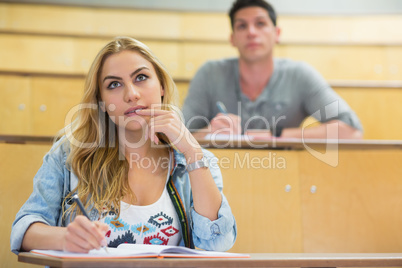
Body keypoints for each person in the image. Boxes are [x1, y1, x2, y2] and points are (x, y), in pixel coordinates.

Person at [10, 37, 236, 254]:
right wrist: (65, 237)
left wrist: (192, 151)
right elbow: (24, 230)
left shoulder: (194, 160)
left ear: (161, 87)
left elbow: (216, 242)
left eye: (141, 77)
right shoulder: (69, 155)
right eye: (114, 84)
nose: (131, 94)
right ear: (102, 101)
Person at [182, 0, 363, 140]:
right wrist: (210, 132)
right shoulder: (209, 74)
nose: (251, 32)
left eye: (260, 24)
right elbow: (178, 136)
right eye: (242, 26)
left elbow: (352, 131)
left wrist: (277, 135)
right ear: (232, 39)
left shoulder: (300, 75)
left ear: (276, 34)